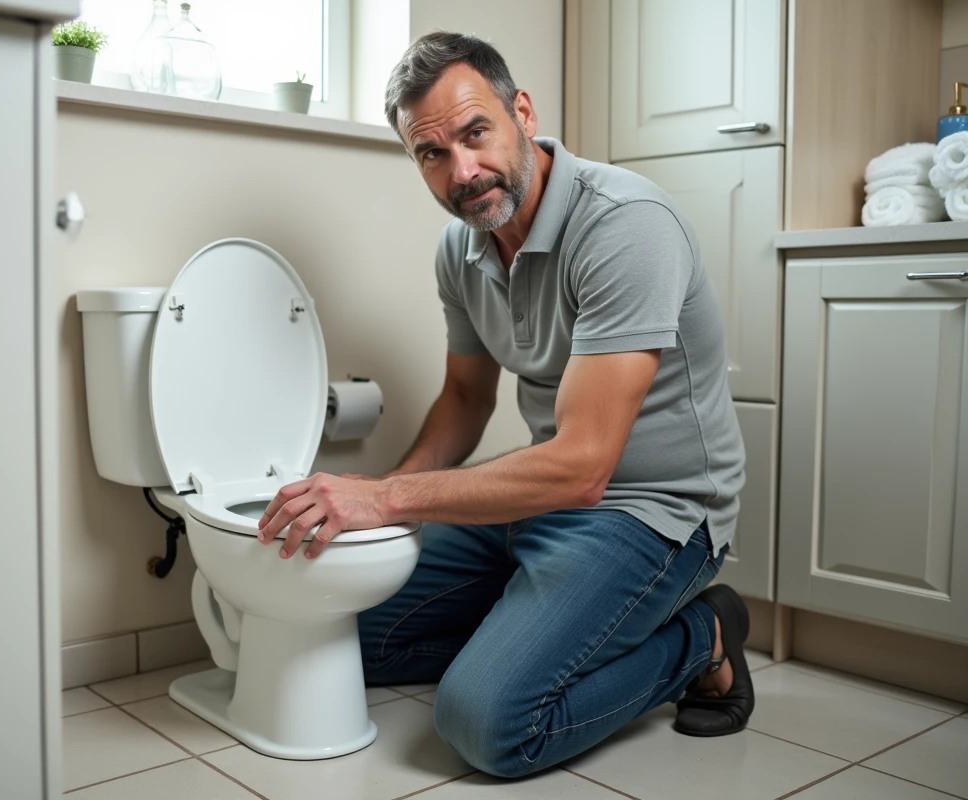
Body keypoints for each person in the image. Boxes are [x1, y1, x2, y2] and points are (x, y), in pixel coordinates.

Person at [255, 31, 754, 777]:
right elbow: (464, 399)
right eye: (431, 153)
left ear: (522, 110)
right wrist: (375, 500)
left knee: (487, 723)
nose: (462, 170)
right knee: (331, 637)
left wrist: (389, 499)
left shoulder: (625, 228)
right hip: (536, 498)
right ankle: (529, 633)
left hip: (654, 514)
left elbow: (585, 468)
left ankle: (703, 637)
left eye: (475, 132)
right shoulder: (462, 250)